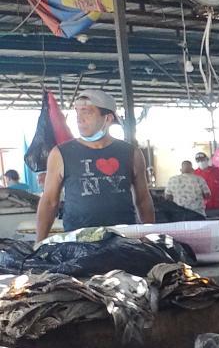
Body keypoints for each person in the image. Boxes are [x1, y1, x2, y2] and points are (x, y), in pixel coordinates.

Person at [35, 89, 155, 239]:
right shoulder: (60, 153)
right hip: (79, 240)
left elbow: (143, 199)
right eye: (77, 112)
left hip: (124, 239)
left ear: (108, 118)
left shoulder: (131, 153)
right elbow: (49, 202)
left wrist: (149, 235)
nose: (79, 119)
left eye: (87, 112)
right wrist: (39, 241)